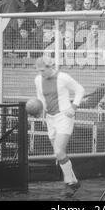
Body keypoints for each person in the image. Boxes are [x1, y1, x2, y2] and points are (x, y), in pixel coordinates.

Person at [34, 56, 85, 197]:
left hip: (64, 116)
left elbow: (80, 90)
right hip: (50, 118)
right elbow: (40, 99)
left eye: (43, 70)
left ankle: (71, 182)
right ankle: (72, 181)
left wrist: (74, 107)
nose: (41, 73)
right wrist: (41, 112)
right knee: (59, 154)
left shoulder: (63, 77)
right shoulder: (38, 80)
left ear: (51, 67)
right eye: (38, 70)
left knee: (58, 151)